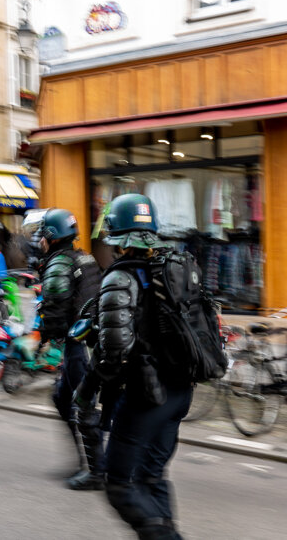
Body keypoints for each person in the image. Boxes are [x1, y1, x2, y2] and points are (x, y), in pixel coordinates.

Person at [73, 194, 193, 539]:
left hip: (145, 395)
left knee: (121, 486)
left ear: (117, 236)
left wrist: (88, 389)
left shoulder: (121, 277)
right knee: (151, 477)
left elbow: (114, 352)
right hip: (180, 392)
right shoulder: (175, 268)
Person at [23, 208, 103, 490]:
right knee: (62, 398)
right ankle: (88, 461)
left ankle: (98, 471)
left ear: (52, 235)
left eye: (42, 234)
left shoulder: (59, 264)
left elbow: (56, 310)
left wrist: (43, 337)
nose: (39, 240)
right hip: (88, 340)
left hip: (78, 344)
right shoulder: (85, 257)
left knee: (83, 405)